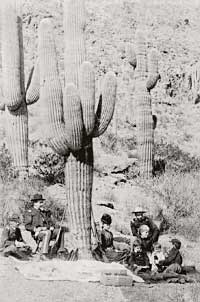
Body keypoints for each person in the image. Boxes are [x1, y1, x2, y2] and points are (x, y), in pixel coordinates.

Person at [24, 193, 65, 260]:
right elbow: (27, 226)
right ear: (35, 203)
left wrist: (51, 226)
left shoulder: (43, 212)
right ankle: (43, 254)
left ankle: (60, 251)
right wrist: (36, 229)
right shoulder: (30, 212)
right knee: (47, 232)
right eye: (40, 202)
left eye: (42, 202)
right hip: (37, 233)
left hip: (46, 230)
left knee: (59, 231)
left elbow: (48, 223)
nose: (42, 204)